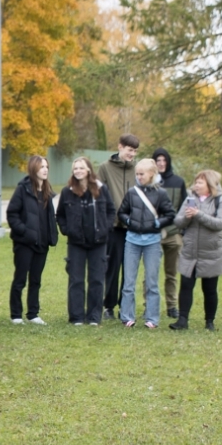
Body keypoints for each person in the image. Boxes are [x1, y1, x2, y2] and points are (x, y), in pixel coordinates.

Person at [116, 158, 174, 328]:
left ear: (151, 174)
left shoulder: (161, 194)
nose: (139, 177)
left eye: (142, 174)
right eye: (137, 174)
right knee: (128, 281)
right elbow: (122, 212)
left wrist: (157, 224)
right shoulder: (132, 192)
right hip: (132, 240)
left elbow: (170, 214)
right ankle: (127, 316)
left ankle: (152, 318)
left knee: (152, 281)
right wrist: (130, 222)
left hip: (152, 242)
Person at [171, 170, 222, 331]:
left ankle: (209, 322)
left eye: (200, 182)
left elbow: (220, 224)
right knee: (186, 285)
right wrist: (187, 217)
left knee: (210, 289)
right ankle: (182, 320)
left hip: (212, 253)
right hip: (190, 252)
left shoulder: (220, 201)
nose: (196, 185)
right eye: (196, 182)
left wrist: (199, 214)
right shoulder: (190, 199)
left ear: (209, 185)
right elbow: (178, 222)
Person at [56, 157, 112, 325]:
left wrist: (105, 228)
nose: (78, 171)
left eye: (81, 168)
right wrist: (67, 230)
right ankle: (77, 317)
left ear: (88, 170)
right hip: (76, 243)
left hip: (98, 242)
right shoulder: (68, 191)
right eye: (75, 168)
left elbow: (111, 210)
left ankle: (94, 316)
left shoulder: (101, 190)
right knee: (76, 280)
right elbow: (60, 215)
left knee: (96, 279)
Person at [6, 155, 58, 325]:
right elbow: (12, 214)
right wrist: (25, 232)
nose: (45, 170)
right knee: (20, 279)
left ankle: (33, 314)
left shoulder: (48, 191)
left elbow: (50, 216)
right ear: (34, 168)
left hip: (42, 243)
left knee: (36, 279)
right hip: (25, 243)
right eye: (42, 166)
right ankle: (16, 315)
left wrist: (52, 236)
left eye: (47, 167)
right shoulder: (23, 189)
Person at [96, 135, 140, 320]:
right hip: (113, 226)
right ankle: (109, 306)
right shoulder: (105, 168)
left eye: (135, 151)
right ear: (120, 147)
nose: (132, 154)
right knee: (112, 268)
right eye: (130, 149)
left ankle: (126, 306)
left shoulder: (137, 170)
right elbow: (99, 194)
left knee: (129, 269)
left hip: (133, 226)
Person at [153, 148, 188, 320]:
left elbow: (184, 206)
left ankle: (172, 306)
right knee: (151, 273)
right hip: (153, 234)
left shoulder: (178, 181)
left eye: (163, 160)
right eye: (158, 160)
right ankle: (149, 306)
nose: (161, 163)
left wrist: (181, 232)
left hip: (174, 234)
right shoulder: (149, 182)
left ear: (168, 162)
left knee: (171, 273)